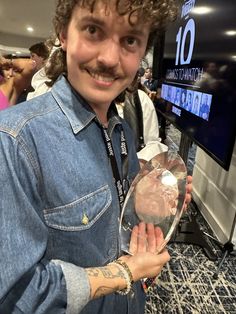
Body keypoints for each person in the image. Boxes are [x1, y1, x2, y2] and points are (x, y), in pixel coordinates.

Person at [0, 1, 191, 313]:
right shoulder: (14, 141)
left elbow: (110, 218)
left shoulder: (122, 130)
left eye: (130, 40)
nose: (109, 59)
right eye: (93, 30)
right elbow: (16, 296)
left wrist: (148, 201)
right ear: (63, 33)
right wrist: (125, 273)